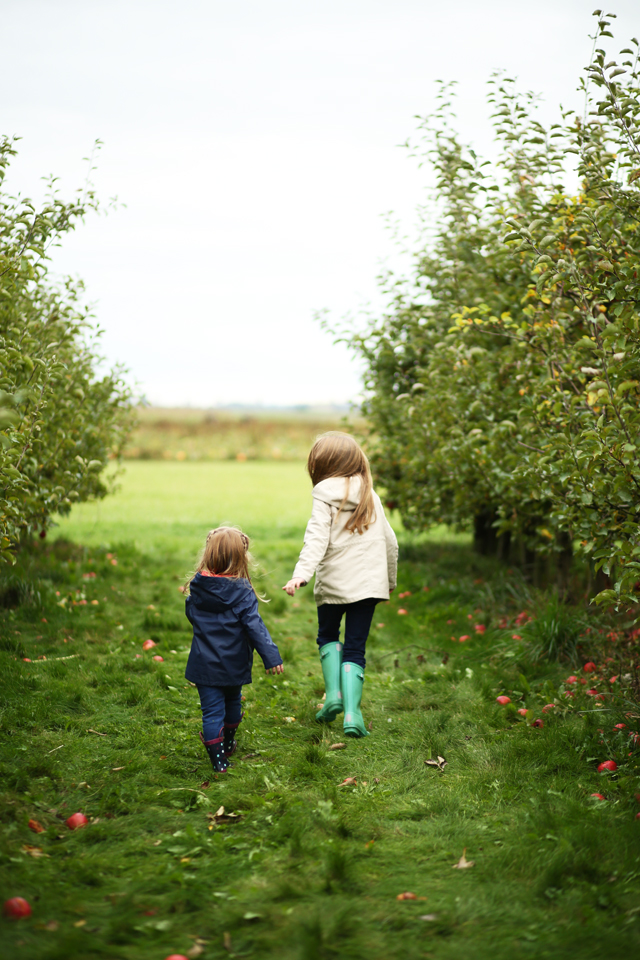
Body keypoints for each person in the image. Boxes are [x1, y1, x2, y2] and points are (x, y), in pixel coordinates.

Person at [283, 433, 397, 737]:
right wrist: (389, 581)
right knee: (356, 648)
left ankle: (333, 695)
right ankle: (352, 714)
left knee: (328, 636)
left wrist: (301, 573)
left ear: (321, 465)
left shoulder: (323, 495)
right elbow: (390, 542)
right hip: (369, 587)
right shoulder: (371, 495)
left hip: (334, 586)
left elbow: (316, 539)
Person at [184, 527, 283, 772]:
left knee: (211, 713)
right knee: (232, 704)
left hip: (204, 664)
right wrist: (271, 656)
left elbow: (191, 615)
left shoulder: (196, 589)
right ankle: (227, 745)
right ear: (241, 558)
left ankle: (220, 762)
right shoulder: (243, 592)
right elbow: (255, 627)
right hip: (234, 663)